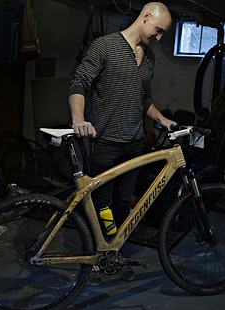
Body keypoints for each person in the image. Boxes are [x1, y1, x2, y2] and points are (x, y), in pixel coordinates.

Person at [68, 2, 177, 285]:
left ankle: (112, 254)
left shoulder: (149, 58)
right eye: (159, 30)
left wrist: (161, 118)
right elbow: (79, 84)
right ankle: (97, 257)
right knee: (100, 206)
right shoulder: (104, 47)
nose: (159, 37)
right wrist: (79, 119)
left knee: (122, 205)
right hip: (104, 143)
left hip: (133, 144)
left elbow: (144, 99)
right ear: (145, 17)